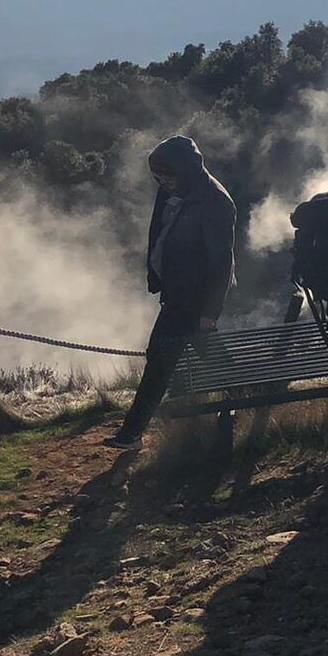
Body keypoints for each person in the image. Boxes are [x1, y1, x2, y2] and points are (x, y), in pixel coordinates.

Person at [103, 136, 236, 450]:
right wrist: (156, 276)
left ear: (186, 171)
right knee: (213, 362)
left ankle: (131, 434)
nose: (161, 183)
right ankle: (245, 403)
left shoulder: (216, 202)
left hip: (194, 299)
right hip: (177, 293)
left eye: (166, 176)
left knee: (159, 363)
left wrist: (209, 313)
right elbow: (159, 232)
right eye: (157, 177)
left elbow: (222, 262)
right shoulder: (174, 190)